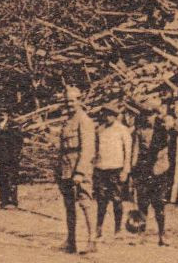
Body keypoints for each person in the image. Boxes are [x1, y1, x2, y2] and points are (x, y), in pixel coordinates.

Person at [54, 87, 97, 254]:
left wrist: (80, 171)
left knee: (85, 202)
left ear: (79, 100)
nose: (69, 104)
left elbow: (88, 149)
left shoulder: (84, 120)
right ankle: (71, 241)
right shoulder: (68, 120)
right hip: (65, 166)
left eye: (72, 101)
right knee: (69, 205)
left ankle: (92, 240)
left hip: (79, 166)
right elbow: (62, 147)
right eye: (67, 101)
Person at [131, 96, 174, 246]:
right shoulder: (140, 130)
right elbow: (135, 149)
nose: (147, 118)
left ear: (156, 114)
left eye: (150, 114)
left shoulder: (163, 127)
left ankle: (162, 235)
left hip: (159, 170)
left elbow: (172, 125)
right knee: (142, 204)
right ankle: (140, 235)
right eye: (145, 115)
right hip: (143, 170)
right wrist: (132, 169)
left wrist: (166, 121)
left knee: (159, 205)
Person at [94, 104, 130, 239]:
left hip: (116, 169)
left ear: (115, 116)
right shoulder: (100, 129)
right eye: (105, 115)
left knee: (117, 199)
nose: (107, 117)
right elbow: (96, 149)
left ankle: (118, 229)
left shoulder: (122, 130)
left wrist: (125, 171)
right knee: (101, 200)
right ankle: (99, 228)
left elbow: (128, 151)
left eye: (110, 115)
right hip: (101, 168)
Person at [0, 103, 24, 208]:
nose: (0, 116)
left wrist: (16, 155)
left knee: (11, 178)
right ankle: (3, 200)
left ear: (6, 114)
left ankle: (12, 201)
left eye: (2, 113)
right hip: (1, 157)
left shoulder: (13, 125)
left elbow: (19, 142)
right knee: (1, 179)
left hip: (11, 157)